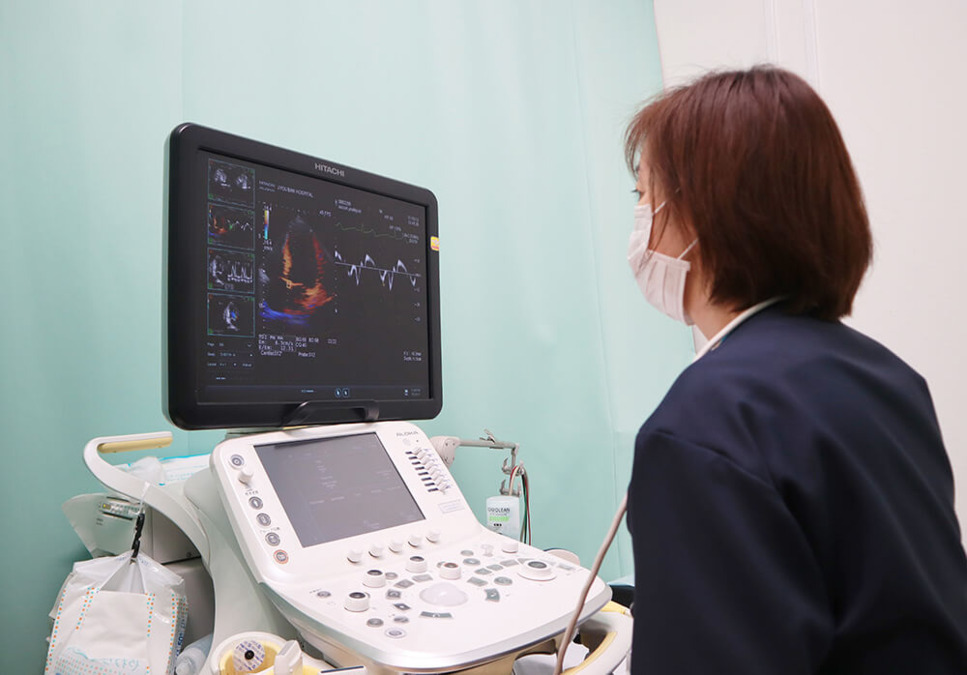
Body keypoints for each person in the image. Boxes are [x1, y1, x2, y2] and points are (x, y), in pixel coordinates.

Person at [624, 66, 967, 674]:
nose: (641, 221)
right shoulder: (887, 378)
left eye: (644, 197)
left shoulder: (701, 426)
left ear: (701, 215)